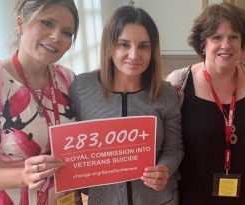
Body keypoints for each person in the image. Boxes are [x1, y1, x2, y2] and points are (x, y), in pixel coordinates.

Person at [70, 6, 183, 205]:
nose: (134, 55)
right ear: (109, 46)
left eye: (143, 46)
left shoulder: (165, 92)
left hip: (157, 199)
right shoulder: (81, 88)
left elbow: (174, 147)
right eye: (124, 44)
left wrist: (165, 169)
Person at [166, 3, 245, 205]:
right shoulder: (179, 83)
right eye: (217, 37)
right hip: (195, 196)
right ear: (203, 44)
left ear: (242, 42)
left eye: (233, 37)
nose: (226, 44)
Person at [0, 0, 80, 204]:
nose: (56, 37)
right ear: (20, 24)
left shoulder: (67, 78)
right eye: (46, 23)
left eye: (67, 32)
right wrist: (23, 176)